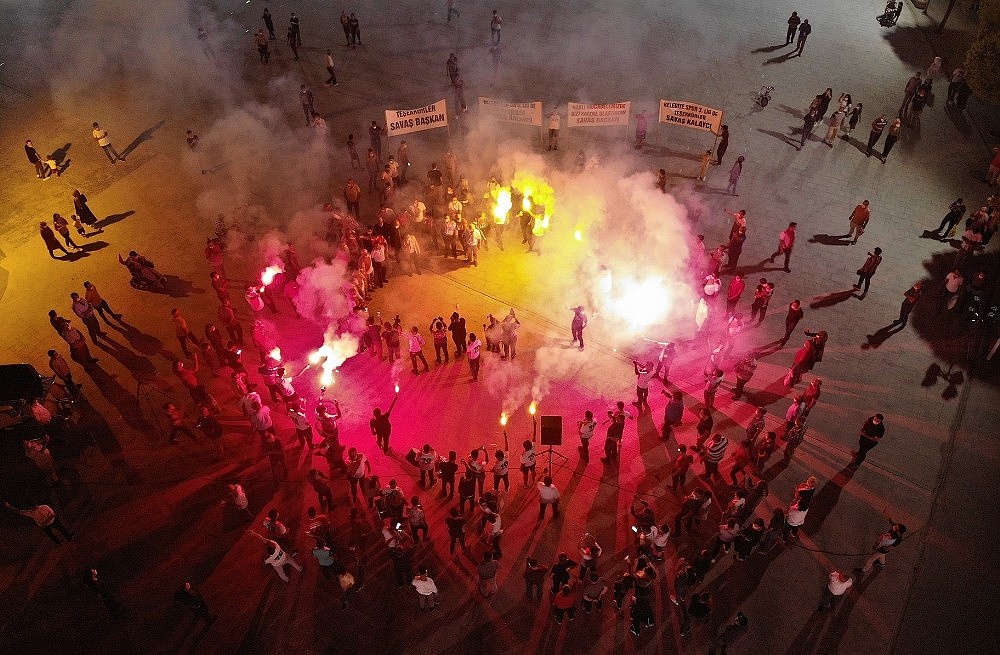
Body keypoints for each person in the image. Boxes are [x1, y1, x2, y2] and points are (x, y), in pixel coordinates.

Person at [4, 502, 74, 543]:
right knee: (60, 528)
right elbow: (53, 514)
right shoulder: (44, 507)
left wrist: (9, 506)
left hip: (44, 525)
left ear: (30, 507)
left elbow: (18, 511)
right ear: (36, 504)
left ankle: (59, 541)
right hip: (50, 522)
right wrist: (9, 506)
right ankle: (67, 537)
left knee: (52, 533)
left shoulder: (31, 513)